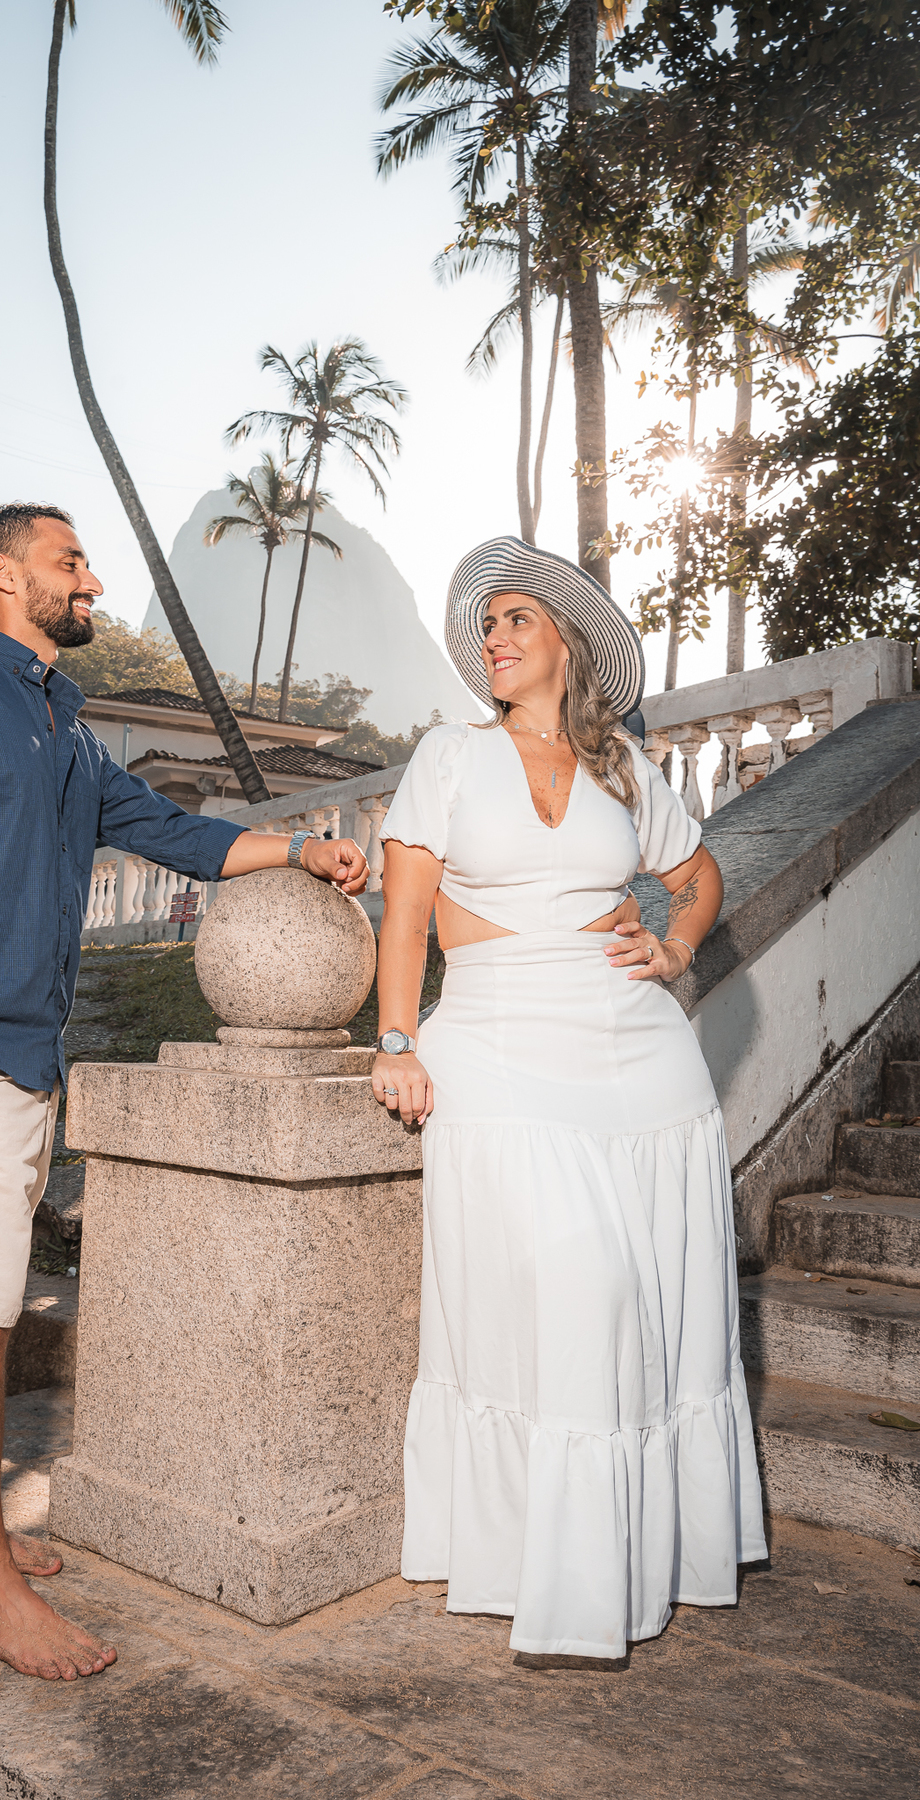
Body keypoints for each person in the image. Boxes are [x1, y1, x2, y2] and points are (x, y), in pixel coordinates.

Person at [0, 501, 367, 1683]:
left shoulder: (70, 732)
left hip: (22, 1057)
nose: (91, 581)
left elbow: (175, 833)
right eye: (70, 561)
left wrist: (299, 850)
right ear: (4, 576)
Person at [370, 536, 766, 1664]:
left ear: (567, 645)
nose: (493, 638)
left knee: (655, 1304)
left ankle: (648, 1551)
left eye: (517, 620)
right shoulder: (449, 755)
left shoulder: (624, 767)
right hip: (495, 1035)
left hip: (638, 1050)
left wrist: (675, 945)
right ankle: (541, 1557)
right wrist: (395, 1039)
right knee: (585, 1278)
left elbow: (697, 876)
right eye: (486, 623)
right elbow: (407, 911)